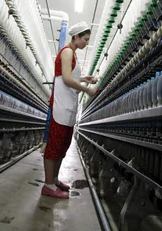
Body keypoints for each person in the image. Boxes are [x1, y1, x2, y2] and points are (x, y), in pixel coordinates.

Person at [42, 21, 96, 199]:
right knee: (54, 145)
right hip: (61, 104)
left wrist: (83, 79)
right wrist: (87, 90)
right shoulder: (66, 52)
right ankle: (48, 185)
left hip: (68, 105)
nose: (86, 43)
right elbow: (65, 79)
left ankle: (55, 179)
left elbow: (71, 76)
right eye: (85, 39)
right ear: (76, 37)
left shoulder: (72, 54)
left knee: (63, 145)